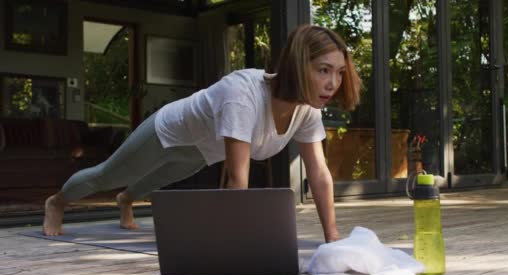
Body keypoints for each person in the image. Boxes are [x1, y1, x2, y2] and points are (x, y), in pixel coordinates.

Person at [43, 24, 361, 243]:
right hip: (168, 131)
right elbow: (238, 179)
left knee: (155, 182)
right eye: (323, 70)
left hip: (201, 150)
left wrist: (331, 236)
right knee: (107, 175)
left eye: (339, 73)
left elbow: (318, 174)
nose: (333, 83)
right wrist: (233, 242)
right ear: (296, 64)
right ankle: (56, 203)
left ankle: (126, 200)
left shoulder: (307, 109)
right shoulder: (243, 94)